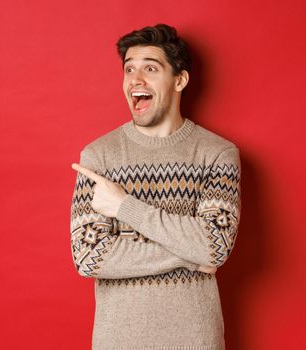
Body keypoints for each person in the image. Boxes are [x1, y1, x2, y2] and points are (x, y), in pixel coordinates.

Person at [70, 23, 241, 350]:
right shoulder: (98, 156)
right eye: (129, 69)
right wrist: (190, 255)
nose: (135, 80)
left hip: (195, 341)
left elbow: (214, 246)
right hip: (117, 341)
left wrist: (123, 206)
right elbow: (89, 257)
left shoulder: (217, 154)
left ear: (179, 80)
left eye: (150, 68)